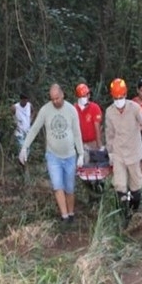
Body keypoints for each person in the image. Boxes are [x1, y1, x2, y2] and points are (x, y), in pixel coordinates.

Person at [18, 83, 84, 224]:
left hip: (70, 156)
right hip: (53, 156)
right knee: (57, 186)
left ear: (62, 95)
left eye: (57, 98)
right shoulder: (45, 110)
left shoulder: (71, 110)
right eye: (52, 99)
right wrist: (24, 148)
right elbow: (34, 129)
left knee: (69, 188)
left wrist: (81, 154)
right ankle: (64, 216)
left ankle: (71, 213)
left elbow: (77, 134)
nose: (55, 101)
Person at [104, 78, 142, 214]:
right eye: (116, 98)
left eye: (121, 97)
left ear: (126, 95)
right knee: (119, 184)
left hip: (134, 151)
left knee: (136, 183)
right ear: (112, 96)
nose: (118, 100)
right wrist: (110, 152)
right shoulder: (110, 112)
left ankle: (134, 212)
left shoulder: (134, 108)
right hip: (118, 153)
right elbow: (109, 133)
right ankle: (123, 215)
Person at [74, 83, 103, 161]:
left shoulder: (95, 108)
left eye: (86, 95)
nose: (84, 98)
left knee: (94, 165)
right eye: (81, 96)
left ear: (89, 95)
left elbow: (97, 127)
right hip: (79, 143)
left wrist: (99, 146)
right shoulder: (74, 109)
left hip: (92, 142)